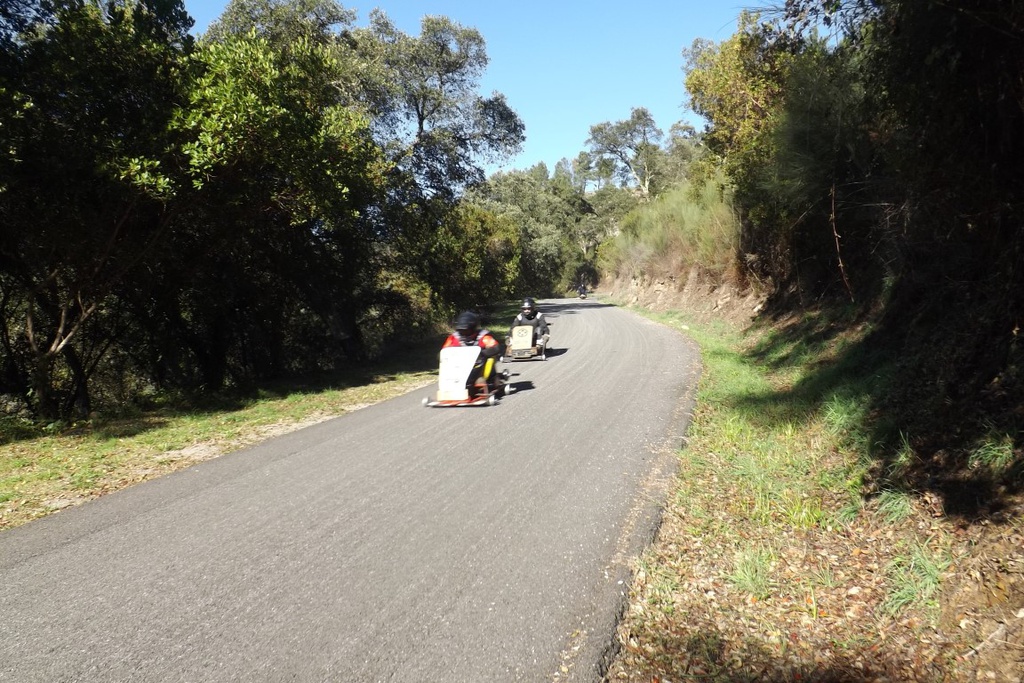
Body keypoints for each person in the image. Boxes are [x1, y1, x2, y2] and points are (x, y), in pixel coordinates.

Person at [442, 310, 502, 392]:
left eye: (467, 331)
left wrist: (482, 353)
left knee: (489, 360)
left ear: (474, 328)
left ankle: (487, 380)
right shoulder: (454, 338)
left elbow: (496, 347)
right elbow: (444, 352)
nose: (464, 333)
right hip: (460, 364)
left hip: (479, 364)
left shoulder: (483, 337)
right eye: (461, 331)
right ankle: (451, 384)